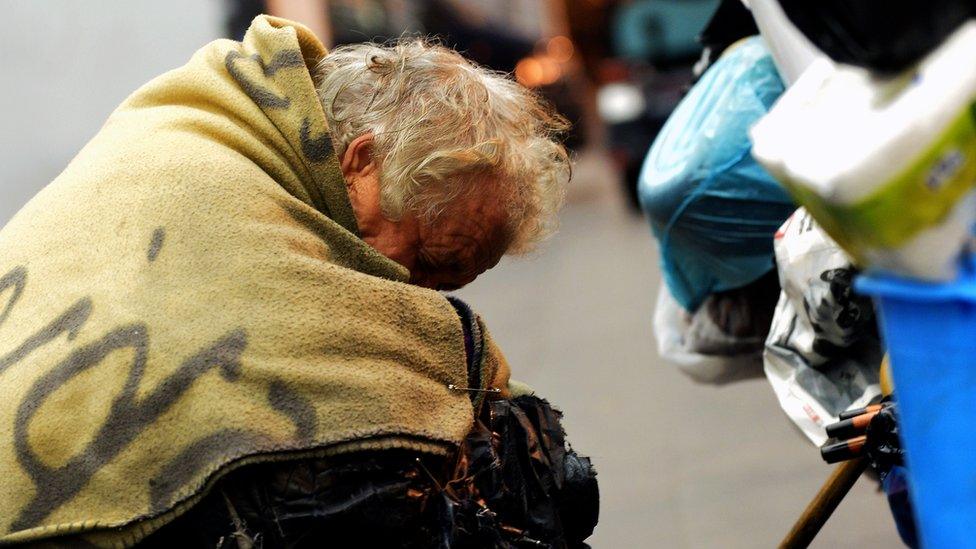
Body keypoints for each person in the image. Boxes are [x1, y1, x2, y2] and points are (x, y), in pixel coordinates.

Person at [0, 15, 595, 547]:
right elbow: (419, 363)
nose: (419, 293)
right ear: (362, 161)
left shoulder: (229, 128)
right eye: (427, 260)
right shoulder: (214, 186)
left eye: (454, 280)